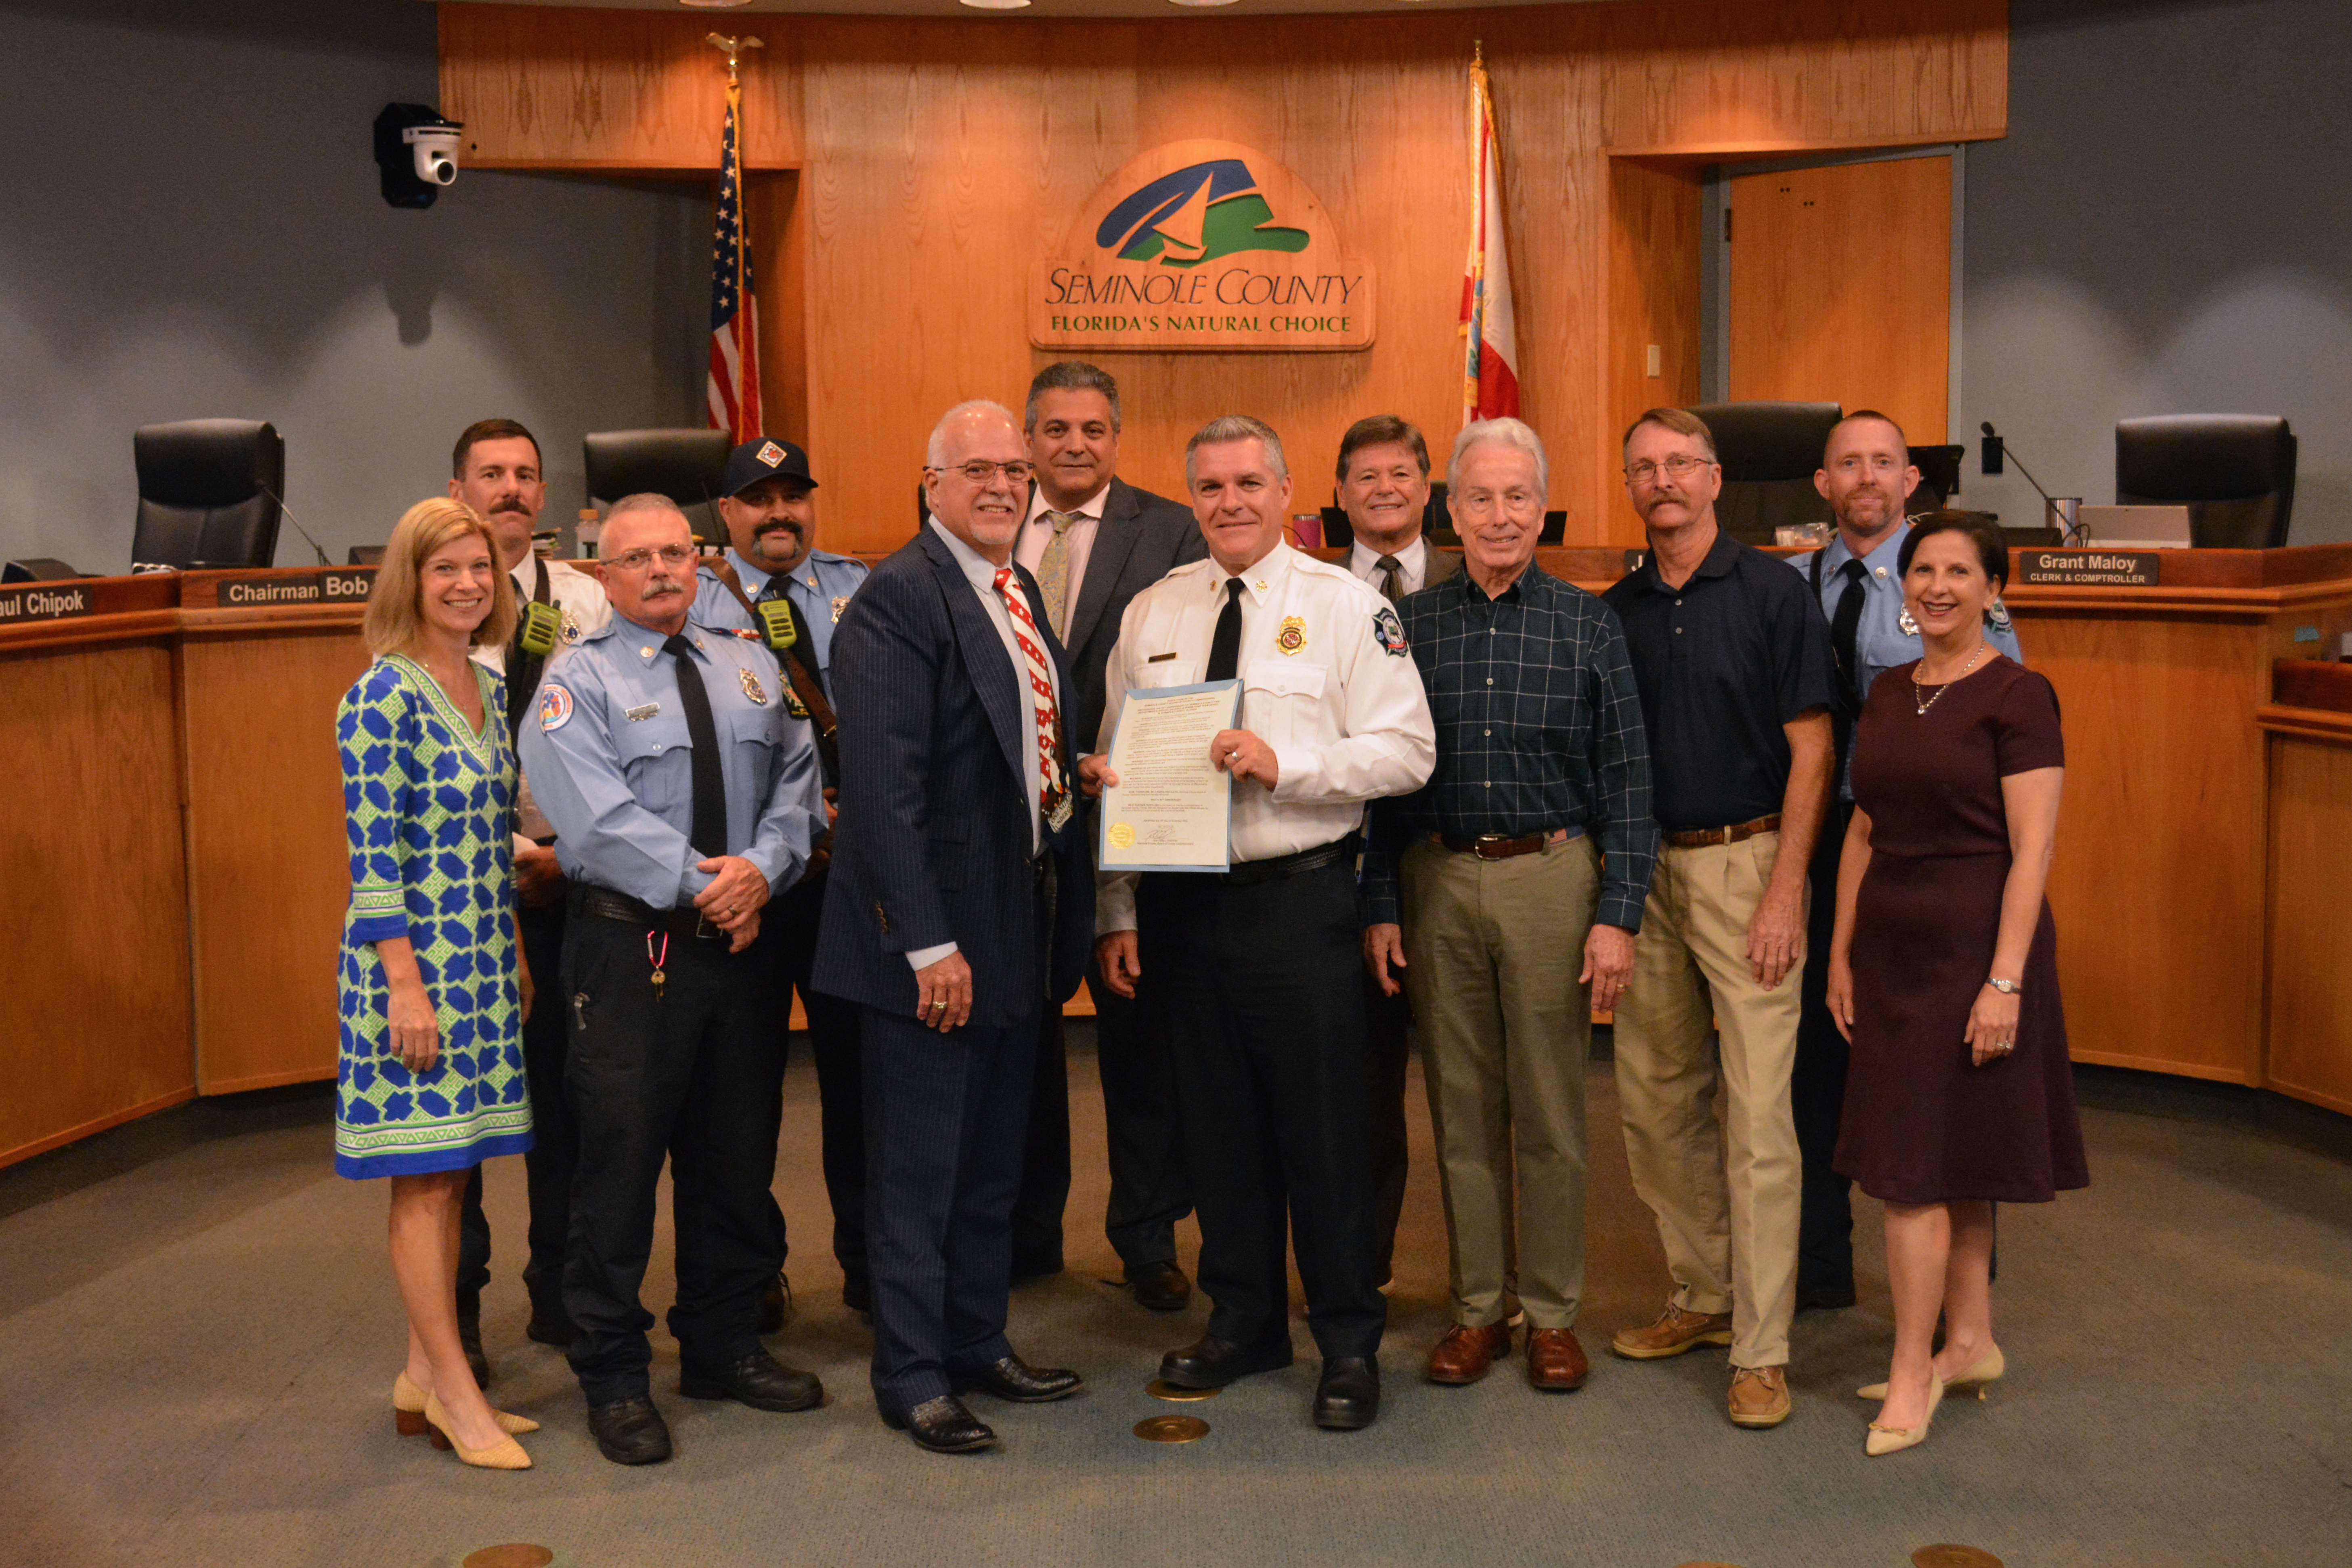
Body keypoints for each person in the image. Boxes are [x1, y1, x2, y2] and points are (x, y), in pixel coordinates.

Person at [1087, 415, 1436, 1432]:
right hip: (1185, 907)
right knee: (1218, 1124)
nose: (1229, 502)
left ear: (1288, 494)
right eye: (1210, 487)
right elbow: (1118, 756)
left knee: (1323, 1131)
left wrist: (1292, 765)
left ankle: (1346, 1339)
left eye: (1249, 483)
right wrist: (1117, 902)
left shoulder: (1344, 607)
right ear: (1190, 499)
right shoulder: (1154, 609)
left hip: (1301, 903)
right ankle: (1242, 1321)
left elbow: (1407, 750)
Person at [517, 494, 826, 1467]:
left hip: (739, 946)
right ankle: (612, 1372)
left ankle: (722, 1342)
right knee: (616, 1166)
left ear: (698, 561)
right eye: (636, 559)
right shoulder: (577, 681)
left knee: (736, 1152)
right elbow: (594, 821)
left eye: (675, 553)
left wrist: (760, 874)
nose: (660, 570)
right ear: (603, 579)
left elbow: (798, 783)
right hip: (630, 949)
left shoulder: (747, 659)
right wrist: (712, 883)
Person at [812, 400, 1092, 1455]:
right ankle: (914, 1372)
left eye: (1014, 470)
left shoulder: (1014, 588)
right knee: (920, 1171)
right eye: (976, 468)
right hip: (931, 946)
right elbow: (884, 792)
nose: (1002, 486)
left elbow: (1017, 747)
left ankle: (977, 1338)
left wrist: (1077, 776)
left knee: (990, 1165)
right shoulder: (897, 598)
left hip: (1017, 922)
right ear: (929, 483)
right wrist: (927, 942)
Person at [1361, 418, 1655, 1393]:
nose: (1498, 516)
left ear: (1542, 508)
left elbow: (1628, 782)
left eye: (1517, 497)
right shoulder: (1412, 625)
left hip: (1551, 879)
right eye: (1479, 498)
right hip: (1437, 878)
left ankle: (1555, 1315)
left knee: (1551, 1111)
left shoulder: (1591, 623)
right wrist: (1380, 902)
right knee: (1460, 1108)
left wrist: (1618, 913)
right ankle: (1479, 1308)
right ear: (1450, 510)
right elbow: (1383, 789)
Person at [1825, 511, 2084, 1457]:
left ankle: (1911, 1370)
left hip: (1979, 949)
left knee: (1912, 1174)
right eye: (1920, 569)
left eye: (1958, 572)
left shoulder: (2020, 696)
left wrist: (2005, 981)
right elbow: (1863, 829)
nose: (1936, 586)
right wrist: (1842, 950)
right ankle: (1969, 1341)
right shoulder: (1891, 693)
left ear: (1992, 589)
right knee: (1956, 1154)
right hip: (1891, 950)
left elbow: (2034, 849)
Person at [1600, 407, 1836, 1431]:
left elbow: (1815, 751)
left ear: (1715, 477)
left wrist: (1788, 887)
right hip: (1646, 872)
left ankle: (1763, 1347)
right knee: (1654, 1103)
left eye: (1679, 465)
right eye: (1643, 468)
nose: (1663, 481)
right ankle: (1702, 1295)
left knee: (1757, 1118)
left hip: (1751, 870)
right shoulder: (1616, 610)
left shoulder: (1778, 594)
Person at [1784, 412, 2021, 1310]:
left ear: (1912, 479)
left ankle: (1962, 1295)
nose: (1867, 477)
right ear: (1822, 483)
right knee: (1819, 1054)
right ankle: (1819, 1265)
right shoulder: (1793, 581)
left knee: (1940, 1062)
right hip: (1826, 839)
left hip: (1929, 855)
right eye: (1850, 463)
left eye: (1884, 462)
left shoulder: (1949, 580)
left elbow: (1999, 718)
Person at [335, 496, 537, 1470]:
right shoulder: (384, 694)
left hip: (484, 962)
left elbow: (490, 845)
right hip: (410, 971)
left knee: (456, 1176)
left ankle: (424, 1371)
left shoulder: (485, 687)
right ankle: (457, 1392)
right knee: (421, 1182)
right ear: (408, 581)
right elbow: (373, 860)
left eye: (480, 569)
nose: (466, 585)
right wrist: (404, 989)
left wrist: (516, 951)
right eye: (445, 569)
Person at [1017, 360, 1206, 1310]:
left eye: (1092, 429)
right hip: (1013, 835)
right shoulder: (988, 521)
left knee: (1140, 1047)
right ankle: (1025, 1232)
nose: (1075, 445)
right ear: (1028, 441)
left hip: (1135, 819)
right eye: (1055, 430)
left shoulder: (1170, 528)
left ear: (1116, 438)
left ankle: (1145, 1238)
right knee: (1019, 1043)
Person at [693, 436, 875, 1319]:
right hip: (754, 880)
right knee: (742, 1088)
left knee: (862, 1081)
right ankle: (750, 1267)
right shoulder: (687, 600)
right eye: (757, 498)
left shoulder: (862, 588)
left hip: (848, 873)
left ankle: (875, 1262)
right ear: (725, 514)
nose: (779, 513)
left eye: (793, 495)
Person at [446, 417, 611, 1373]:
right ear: (458, 487)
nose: (511, 489)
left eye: (525, 476)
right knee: (467, 1113)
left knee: (565, 1097)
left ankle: (560, 1288)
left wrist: (567, 852)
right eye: (491, 474)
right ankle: (458, 1310)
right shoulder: (433, 602)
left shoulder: (582, 598)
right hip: (464, 893)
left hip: (565, 873)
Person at [1335, 413, 1463, 1289]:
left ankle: (1485, 1282)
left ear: (1427, 487)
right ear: (1340, 493)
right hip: (1347, 873)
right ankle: (1366, 1266)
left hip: (1458, 859)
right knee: (1365, 1086)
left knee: (1470, 1087)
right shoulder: (1310, 591)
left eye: (1401, 473)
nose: (1384, 489)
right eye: (1365, 476)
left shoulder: (1478, 576)